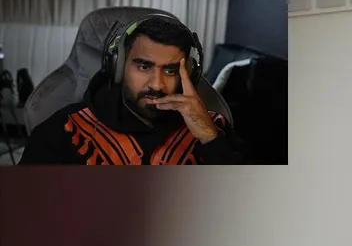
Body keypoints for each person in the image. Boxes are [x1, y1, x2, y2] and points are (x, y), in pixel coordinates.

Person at [19, 15, 244, 165]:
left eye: (170, 70)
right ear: (118, 67)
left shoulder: (214, 128)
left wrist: (210, 138)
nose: (156, 85)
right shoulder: (66, 128)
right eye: (144, 66)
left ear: (190, 73)